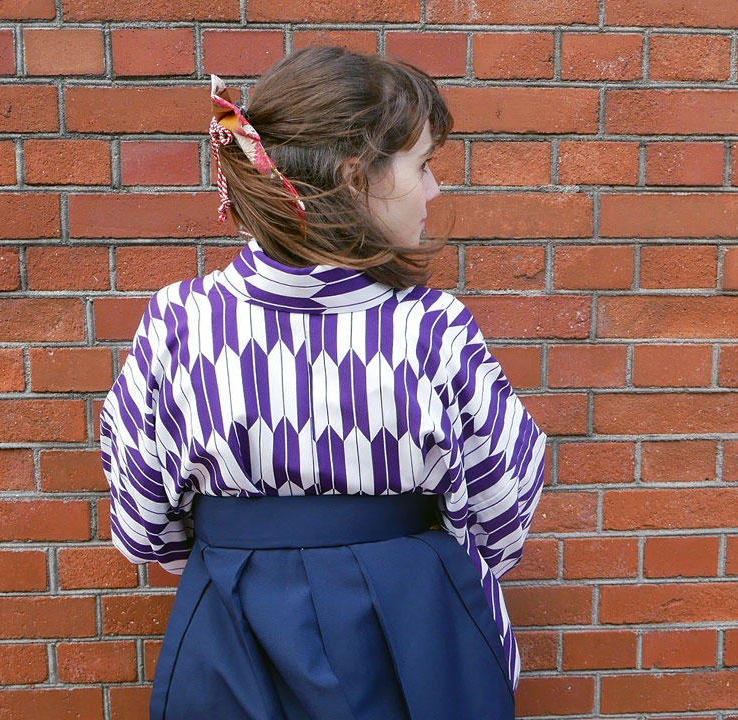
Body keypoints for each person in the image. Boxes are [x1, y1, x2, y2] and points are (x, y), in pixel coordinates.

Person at [99, 46, 545, 720]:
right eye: (422, 165)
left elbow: (143, 528)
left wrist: (252, 549)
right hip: (414, 631)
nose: (434, 191)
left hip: (233, 629)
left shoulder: (179, 325)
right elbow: (500, 518)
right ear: (352, 177)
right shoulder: (432, 330)